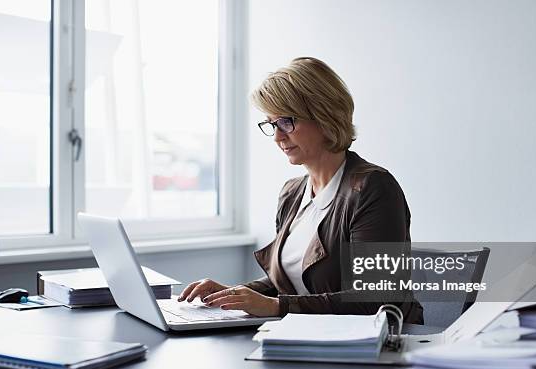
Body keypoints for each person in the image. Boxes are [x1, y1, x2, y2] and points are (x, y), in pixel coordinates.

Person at [178, 57, 423, 323]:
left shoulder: (373, 187)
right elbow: (288, 283)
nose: (277, 137)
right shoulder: (292, 193)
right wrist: (233, 294)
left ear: (324, 116)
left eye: (286, 122)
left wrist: (275, 307)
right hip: (311, 337)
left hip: (371, 348)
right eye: (272, 124)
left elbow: (376, 298)